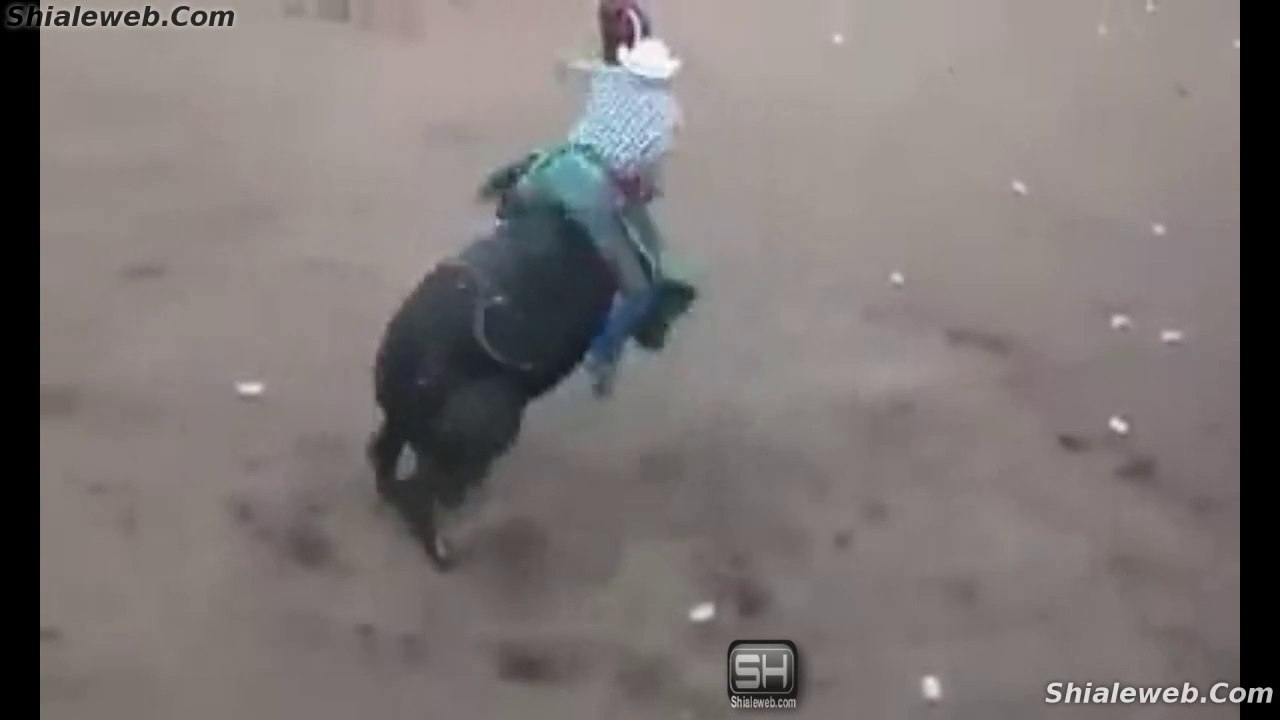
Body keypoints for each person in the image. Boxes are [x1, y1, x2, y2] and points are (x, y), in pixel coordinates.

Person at [488, 36, 694, 397]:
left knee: (511, 205)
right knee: (639, 290)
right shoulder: (668, 115)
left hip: (550, 169)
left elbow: (569, 64)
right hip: (592, 191)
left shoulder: (608, 77)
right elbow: (641, 184)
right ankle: (602, 353)